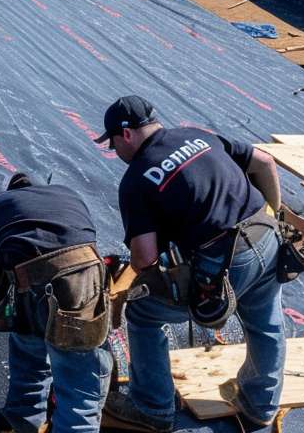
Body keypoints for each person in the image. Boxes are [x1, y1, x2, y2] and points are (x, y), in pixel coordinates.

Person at [93, 96, 286, 432]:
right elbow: (265, 162)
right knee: (265, 320)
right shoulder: (197, 135)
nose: (115, 153)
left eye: (112, 144)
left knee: (142, 314)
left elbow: (145, 258)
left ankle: (153, 407)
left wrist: (150, 283)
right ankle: (260, 406)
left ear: (126, 134)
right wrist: (275, 214)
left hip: (226, 262)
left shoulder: (137, 180)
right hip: (266, 235)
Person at [0, 173, 113, 433]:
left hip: (35, 287)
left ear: (12, 191)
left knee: (42, 355)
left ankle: (25, 419)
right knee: (72, 375)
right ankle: (26, 418)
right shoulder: (68, 194)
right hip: (86, 285)